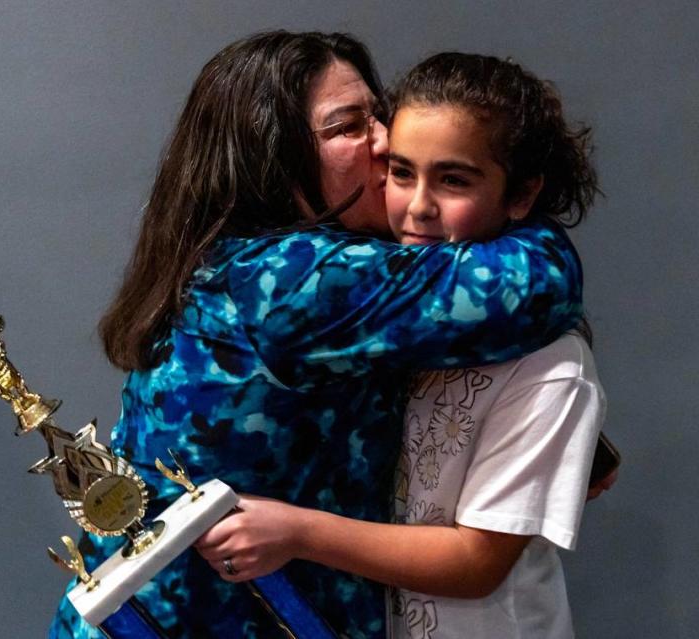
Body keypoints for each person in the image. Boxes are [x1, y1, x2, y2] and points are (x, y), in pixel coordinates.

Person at [49, 32, 585, 639]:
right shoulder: (294, 279)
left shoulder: (231, 261)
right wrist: (531, 218)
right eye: (348, 127)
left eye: (376, 113)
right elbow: (539, 285)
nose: (385, 139)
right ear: (271, 158)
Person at [196, 53, 605, 638]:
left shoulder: (552, 367)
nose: (417, 206)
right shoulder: (385, 319)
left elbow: (476, 564)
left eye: (454, 179)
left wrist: (298, 532)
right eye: (401, 172)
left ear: (522, 194)